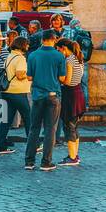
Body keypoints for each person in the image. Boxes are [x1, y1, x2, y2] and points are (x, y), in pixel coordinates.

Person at [24, 28, 67, 171]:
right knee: (50, 130)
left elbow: (29, 77)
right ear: (54, 40)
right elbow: (62, 78)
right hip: (53, 95)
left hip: (37, 95)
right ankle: (46, 162)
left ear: (42, 39)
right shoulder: (59, 56)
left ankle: (29, 162)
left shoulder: (33, 55)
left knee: (33, 128)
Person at [0, 36, 35, 155]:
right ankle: (34, 145)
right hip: (19, 92)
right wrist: (31, 74)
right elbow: (19, 74)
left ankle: (0, 146)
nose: (28, 47)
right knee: (29, 119)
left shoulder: (9, 56)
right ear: (22, 45)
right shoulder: (20, 58)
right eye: (27, 45)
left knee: (5, 121)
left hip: (7, 92)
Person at [56, 37, 87, 166]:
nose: (58, 52)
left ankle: (72, 157)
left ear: (64, 48)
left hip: (70, 95)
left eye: (59, 50)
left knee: (69, 126)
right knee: (74, 126)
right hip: (78, 93)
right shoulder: (78, 58)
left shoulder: (68, 60)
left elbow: (67, 81)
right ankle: (75, 154)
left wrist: (59, 78)